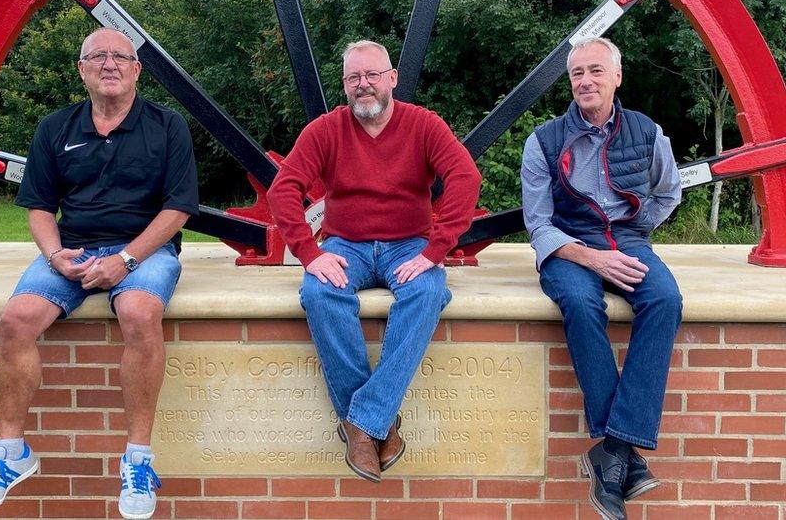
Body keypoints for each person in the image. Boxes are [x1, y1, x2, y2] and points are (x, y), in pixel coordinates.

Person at [0, 27, 198, 520]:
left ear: (136, 69)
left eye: (120, 57)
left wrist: (126, 260)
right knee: (16, 320)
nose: (110, 64)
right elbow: (40, 207)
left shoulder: (168, 126)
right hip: (74, 250)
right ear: (82, 69)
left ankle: (138, 461)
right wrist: (54, 256)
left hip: (144, 250)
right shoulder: (55, 128)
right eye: (98, 56)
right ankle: (10, 454)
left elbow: (178, 210)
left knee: (138, 310)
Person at [266, 40, 481, 483]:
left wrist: (434, 251)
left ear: (392, 79)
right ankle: (378, 425)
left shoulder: (423, 125)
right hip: (347, 244)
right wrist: (309, 253)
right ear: (345, 84)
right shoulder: (326, 130)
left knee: (428, 290)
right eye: (353, 78)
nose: (363, 85)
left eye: (372, 75)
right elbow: (283, 189)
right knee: (319, 291)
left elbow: (465, 177)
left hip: (409, 245)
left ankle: (361, 422)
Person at [521, 37, 682, 520]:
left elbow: (667, 192)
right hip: (569, 246)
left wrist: (633, 232)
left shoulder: (647, 131)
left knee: (666, 300)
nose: (585, 81)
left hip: (627, 241)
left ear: (616, 77)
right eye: (577, 74)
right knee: (580, 303)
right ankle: (622, 455)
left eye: (595, 71)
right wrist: (593, 258)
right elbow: (539, 224)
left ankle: (612, 449)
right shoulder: (543, 141)